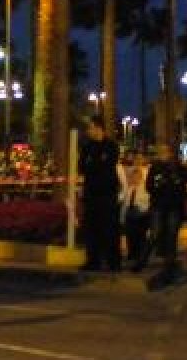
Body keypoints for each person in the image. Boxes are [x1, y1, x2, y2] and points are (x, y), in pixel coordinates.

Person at [141, 144, 187, 285]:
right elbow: (149, 186)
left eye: (166, 153)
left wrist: (181, 174)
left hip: (174, 207)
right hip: (158, 206)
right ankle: (142, 260)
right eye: (161, 153)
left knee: (172, 234)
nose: (163, 155)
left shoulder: (179, 168)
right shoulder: (155, 168)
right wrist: (160, 186)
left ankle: (169, 264)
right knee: (155, 233)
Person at [79, 116, 122, 272]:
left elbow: (105, 166)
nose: (88, 131)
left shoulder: (111, 146)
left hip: (107, 194)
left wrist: (94, 164)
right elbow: (82, 167)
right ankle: (93, 261)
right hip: (91, 193)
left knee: (109, 228)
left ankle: (113, 262)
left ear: (98, 128)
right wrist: (96, 164)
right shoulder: (87, 147)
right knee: (91, 229)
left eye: (90, 127)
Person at [119, 153, 151, 270]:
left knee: (140, 235)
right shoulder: (129, 188)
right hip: (129, 211)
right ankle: (132, 254)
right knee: (130, 234)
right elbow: (124, 199)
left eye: (140, 159)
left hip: (141, 210)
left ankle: (139, 256)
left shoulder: (146, 178)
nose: (137, 161)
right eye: (136, 159)